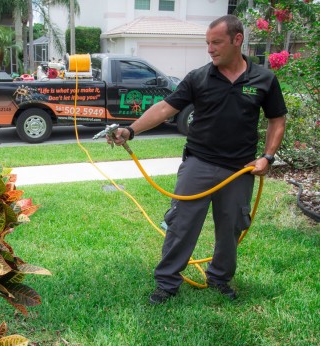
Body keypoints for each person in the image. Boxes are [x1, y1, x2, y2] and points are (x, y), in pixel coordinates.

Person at [108, 15, 287, 304]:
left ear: (237, 40)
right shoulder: (199, 77)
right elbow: (165, 108)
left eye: (216, 42)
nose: (210, 49)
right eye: (207, 43)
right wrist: (130, 130)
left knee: (231, 227)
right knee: (181, 224)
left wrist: (267, 157)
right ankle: (167, 283)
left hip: (239, 170)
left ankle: (219, 279)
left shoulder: (263, 79)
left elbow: (277, 119)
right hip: (199, 163)